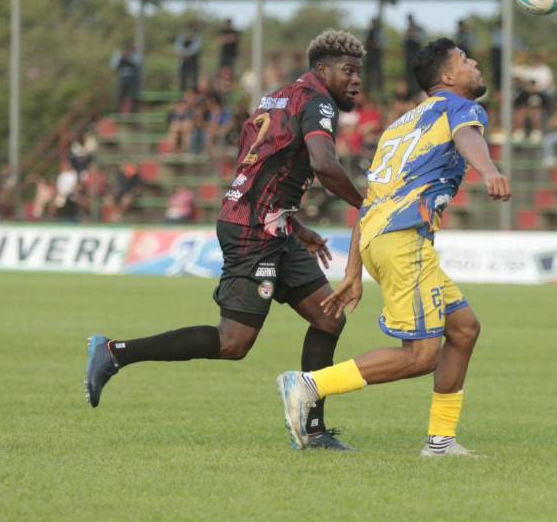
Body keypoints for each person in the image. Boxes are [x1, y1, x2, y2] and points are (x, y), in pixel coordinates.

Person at [85, 30, 368, 451]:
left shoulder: (278, 96)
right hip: (254, 230)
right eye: (348, 71)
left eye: (358, 73)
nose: (356, 81)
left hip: (269, 224)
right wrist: (367, 204)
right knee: (233, 342)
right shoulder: (317, 102)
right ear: (322, 70)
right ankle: (114, 351)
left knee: (329, 317)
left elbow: (259, 163)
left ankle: (311, 430)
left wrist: (292, 223)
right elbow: (323, 163)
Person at [276, 38, 511, 456]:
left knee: (463, 328)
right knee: (421, 356)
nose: (475, 64)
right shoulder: (460, 107)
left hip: (383, 237)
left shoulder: (401, 125)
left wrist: (353, 270)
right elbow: (468, 138)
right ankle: (309, 384)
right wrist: (489, 169)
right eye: (465, 60)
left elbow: (372, 199)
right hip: (404, 240)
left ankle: (440, 442)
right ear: (447, 78)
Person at [110, 41, 141, 113]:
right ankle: (120, 111)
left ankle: (130, 112)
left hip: (132, 79)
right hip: (122, 78)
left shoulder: (135, 56)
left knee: (131, 96)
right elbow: (112, 67)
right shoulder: (118, 55)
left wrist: (129, 57)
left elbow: (138, 64)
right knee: (120, 96)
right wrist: (121, 57)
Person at [174, 22, 202, 92]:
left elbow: (194, 49)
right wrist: (181, 53)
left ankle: (194, 97)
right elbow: (177, 48)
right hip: (183, 62)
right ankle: (182, 98)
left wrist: (185, 53)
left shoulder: (197, 38)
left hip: (193, 62)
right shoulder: (181, 38)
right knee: (182, 80)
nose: (189, 32)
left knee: (194, 80)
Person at [404, 14, 426, 98]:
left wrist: (413, 35)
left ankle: (417, 94)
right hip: (408, 59)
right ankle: (410, 95)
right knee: (408, 78)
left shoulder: (419, 29)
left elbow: (421, 39)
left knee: (416, 77)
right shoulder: (407, 30)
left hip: (416, 58)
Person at [363, 17, 384, 95]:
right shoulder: (368, 31)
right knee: (368, 73)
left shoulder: (379, 32)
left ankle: (378, 90)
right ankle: (367, 89)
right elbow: (364, 41)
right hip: (369, 55)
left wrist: (375, 44)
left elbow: (381, 44)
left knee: (378, 73)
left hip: (376, 55)